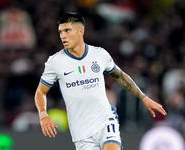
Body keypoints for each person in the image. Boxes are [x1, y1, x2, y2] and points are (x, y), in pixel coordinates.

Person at [35, 12, 167, 150]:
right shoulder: (55, 62)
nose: (63, 35)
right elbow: (40, 92)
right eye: (60, 31)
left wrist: (144, 98)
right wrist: (43, 114)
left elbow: (120, 76)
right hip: (81, 131)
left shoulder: (99, 54)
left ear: (81, 31)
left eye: (67, 30)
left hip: (105, 120)